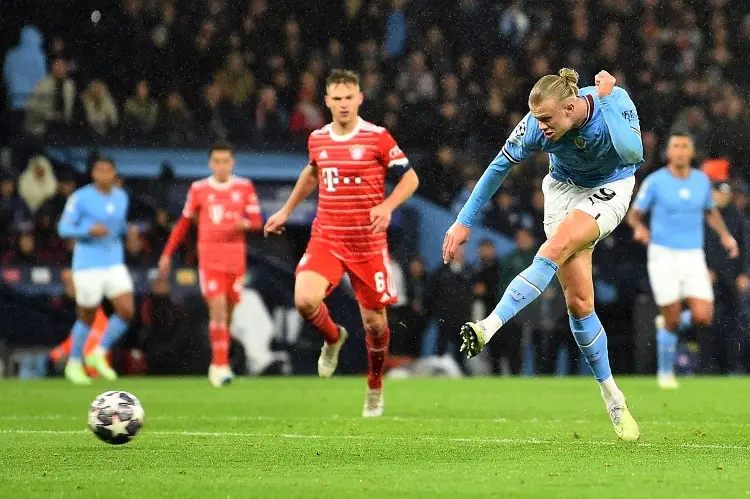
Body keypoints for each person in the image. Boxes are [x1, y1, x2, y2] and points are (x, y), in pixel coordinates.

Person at [443, 68, 642, 441]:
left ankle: (488, 326)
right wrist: (463, 221)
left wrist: (608, 100)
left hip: (611, 186)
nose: (541, 127)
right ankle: (613, 396)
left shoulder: (613, 100)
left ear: (570, 107)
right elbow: (498, 166)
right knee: (580, 303)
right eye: (537, 119)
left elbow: (634, 152)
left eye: (547, 119)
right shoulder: (537, 126)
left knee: (553, 248)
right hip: (562, 190)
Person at [264, 70, 419, 417]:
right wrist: (286, 211)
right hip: (328, 238)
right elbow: (312, 172)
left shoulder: (377, 138)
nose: (344, 104)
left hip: (368, 244)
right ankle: (333, 338)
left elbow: (410, 178)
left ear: (359, 98)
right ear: (327, 101)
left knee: (376, 325)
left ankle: (375, 388)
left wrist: (388, 205)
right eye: (337, 98)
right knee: (304, 300)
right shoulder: (318, 138)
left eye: (349, 97)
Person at [626, 133, 739, 388]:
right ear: (668, 152)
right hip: (662, 254)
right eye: (675, 147)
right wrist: (640, 229)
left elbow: (710, 211)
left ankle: (667, 323)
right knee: (673, 317)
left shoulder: (701, 182)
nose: (679, 151)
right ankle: (665, 372)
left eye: (684, 147)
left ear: (691, 152)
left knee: (703, 316)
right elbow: (634, 214)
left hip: (692, 254)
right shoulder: (655, 182)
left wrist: (726, 237)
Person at [158, 144, 263, 387]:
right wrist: (166, 253)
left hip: (235, 259)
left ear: (232, 163)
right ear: (210, 164)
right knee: (217, 311)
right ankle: (220, 366)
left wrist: (244, 225)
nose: (221, 165)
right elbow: (183, 224)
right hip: (210, 259)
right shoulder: (199, 189)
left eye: (226, 160)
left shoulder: (244, 187)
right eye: (217, 161)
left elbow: (257, 222)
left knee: (228, 315)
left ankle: (219, 362)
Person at [57, 158, 134, 385]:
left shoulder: (121, 197)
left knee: (127, 311)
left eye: (108, 170)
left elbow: (119, 227)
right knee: (87, 316)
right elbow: (63, 228)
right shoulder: (80, 197)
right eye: (99, 170)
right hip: (87, 264)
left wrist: (128, 236)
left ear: (114, 173)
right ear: (92, 174)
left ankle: (98, 352)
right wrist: (88, 229)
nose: (103, 174)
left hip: (114, 261)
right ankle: (74, 363)